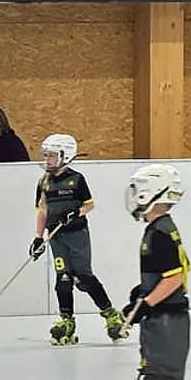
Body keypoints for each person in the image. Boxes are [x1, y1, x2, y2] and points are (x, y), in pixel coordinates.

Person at [123, 164, 191, 380]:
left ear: (151, 193)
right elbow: (165, 274)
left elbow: (175, 277)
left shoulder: (160, 232)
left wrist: (147, 303)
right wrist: (142, 294)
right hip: (160, 318)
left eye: (138, 189)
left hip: (167, 320)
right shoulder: (158, 228)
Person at [30, 134, 126, 345]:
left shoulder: (76, 179)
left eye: (51, 155)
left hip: (77, 235)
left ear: (65, 156)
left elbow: (89, 204)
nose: (47, 160)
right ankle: (66, 319)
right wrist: (38, 238)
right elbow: (42, 210)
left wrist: (76, 213)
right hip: (56, 237)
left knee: (83, 277)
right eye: (45, 155)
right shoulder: (43, 182)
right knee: (63, 277)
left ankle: (110, 314)